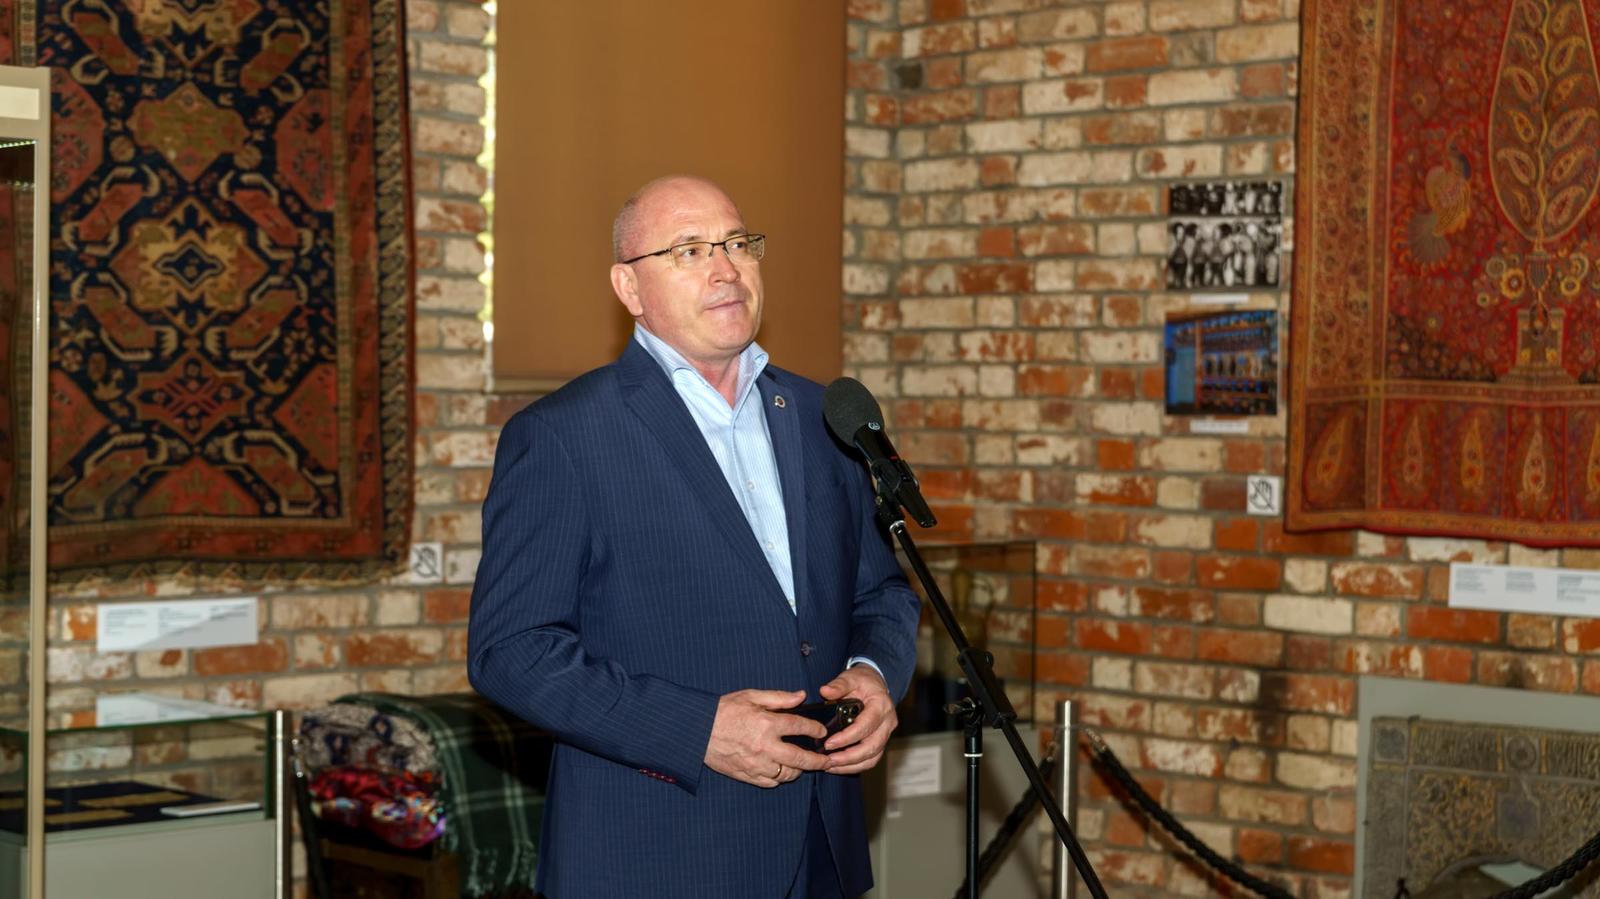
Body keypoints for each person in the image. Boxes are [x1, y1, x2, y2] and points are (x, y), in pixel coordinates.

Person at [467, 175, 923, 899]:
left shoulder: (821, 417)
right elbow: (511, 652)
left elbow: (883, 592)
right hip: (658, 853)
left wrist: (873, 672)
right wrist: (698, 728)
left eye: (737, 243)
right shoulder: (564, 436)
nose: (725, 268)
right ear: (629, 286)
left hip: (822, 844)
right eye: (688, 250)